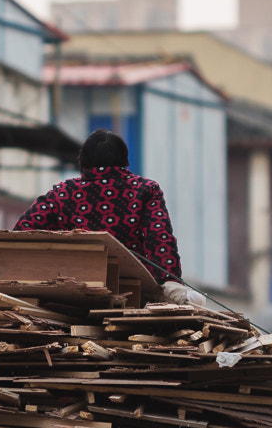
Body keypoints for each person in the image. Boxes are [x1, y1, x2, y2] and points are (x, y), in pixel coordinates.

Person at [13, 129, 197, 305]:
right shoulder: (145, 190)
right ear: (124, 160)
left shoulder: (63, 192)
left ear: (83, 161)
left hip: (71, 296)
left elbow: (22, 232)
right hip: (132, 297)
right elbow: (158, 237)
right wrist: (170, 280)